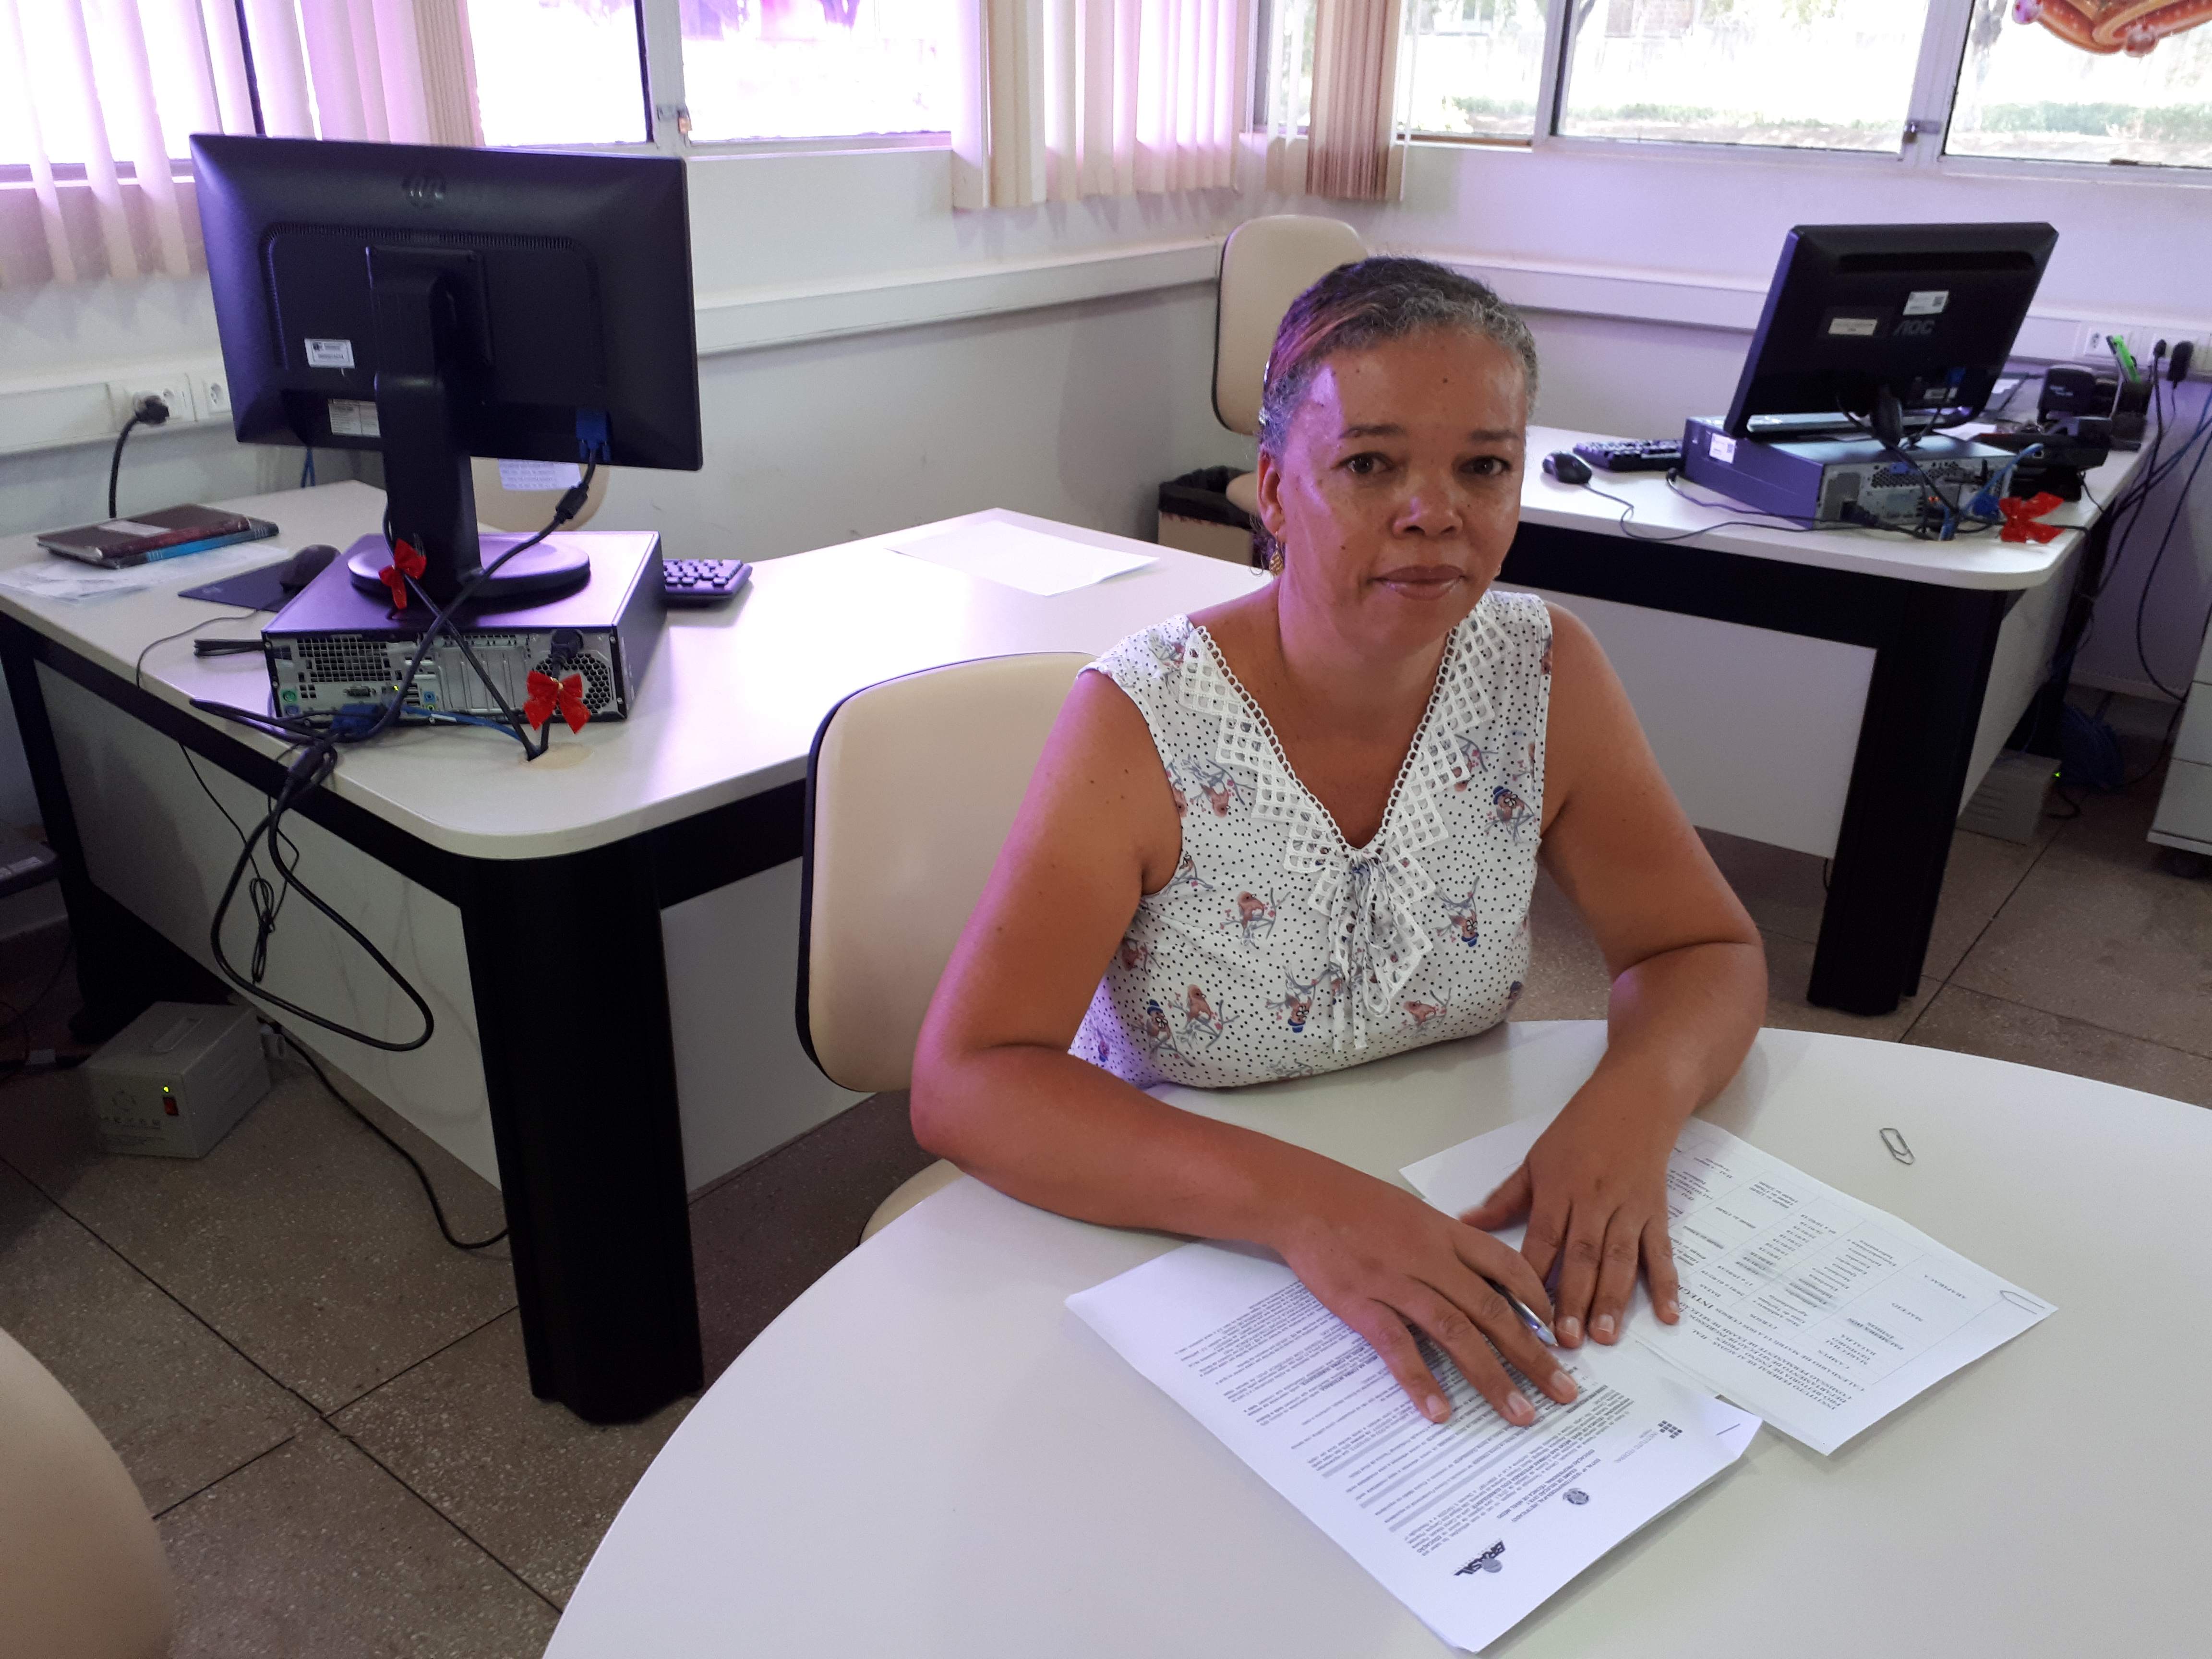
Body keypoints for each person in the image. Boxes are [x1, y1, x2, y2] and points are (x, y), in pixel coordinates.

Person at [911, 257, 1766, 1430]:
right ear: (1274, 490)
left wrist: (1635, 1102)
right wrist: (1312, 1207)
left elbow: (1702, 950)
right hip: (1173, 1227)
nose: (1435, 512)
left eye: (1484, 467)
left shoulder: (1543, 673)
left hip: (1448, 1192)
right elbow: (967, 1081)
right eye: (1369, 465)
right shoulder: (1145, 716)